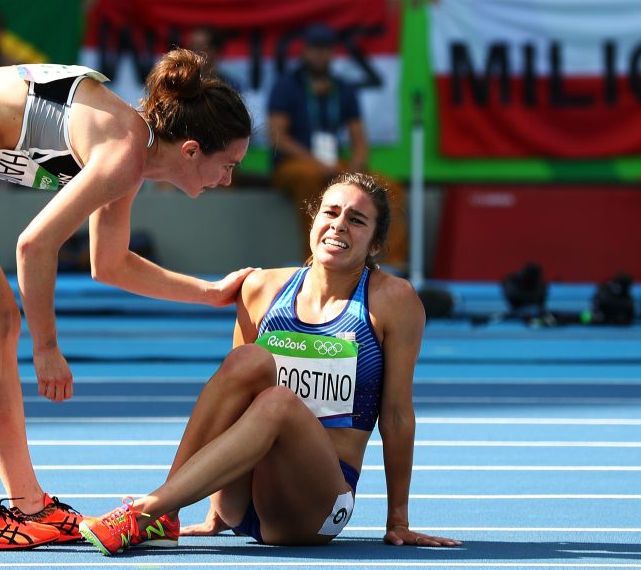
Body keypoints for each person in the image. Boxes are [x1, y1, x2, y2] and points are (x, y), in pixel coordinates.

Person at [0, 50, 253, 551]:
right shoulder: (124, 153)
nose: (228, 179)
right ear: (191, 150)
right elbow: (34, 245)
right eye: (229, 164)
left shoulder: (131, 152)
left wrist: (210, 293)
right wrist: (47, 348)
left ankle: (29, 504)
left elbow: (110, 264)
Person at [78, 172, 463, 555]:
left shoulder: (393, 300)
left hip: (316, 507)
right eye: (330, 213)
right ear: (313, 222)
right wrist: (215, 514)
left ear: (376, 244)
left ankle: (149, 510)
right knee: (247, 360)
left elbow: (396, 415)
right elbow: (230, 398)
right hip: (240, 501)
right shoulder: (262, 288)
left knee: (278, 402)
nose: (339, 225)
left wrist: (398, 521)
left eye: (356, 220)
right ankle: (168, 508)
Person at [267, 23, 408, 271]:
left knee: (389, 189)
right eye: (315, 49)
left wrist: (354, 168)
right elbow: (278, 137)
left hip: (334, 164)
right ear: (305, 51)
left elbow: (360, 140)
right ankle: (313, 260)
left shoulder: (343, 88)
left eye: (326, 49)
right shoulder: (287, 85)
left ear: (332, 53)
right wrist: (316, 163)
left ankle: (388, 263)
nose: (320, 55)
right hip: (297, 165)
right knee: (310, 179)